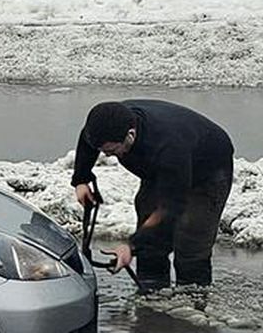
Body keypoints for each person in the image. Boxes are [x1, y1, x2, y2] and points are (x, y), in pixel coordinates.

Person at [71, 99, 234, 291]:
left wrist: (130, 246)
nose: (107, 156)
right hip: (157, 171)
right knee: (149, 240)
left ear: (130, 135)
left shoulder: (169, 147)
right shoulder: (104, 126)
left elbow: (170, 207)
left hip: (208, 173)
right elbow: (87, 141)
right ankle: (151, 290)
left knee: (190, 239)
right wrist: (81, 179)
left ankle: (192, 297)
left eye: (112, 151)